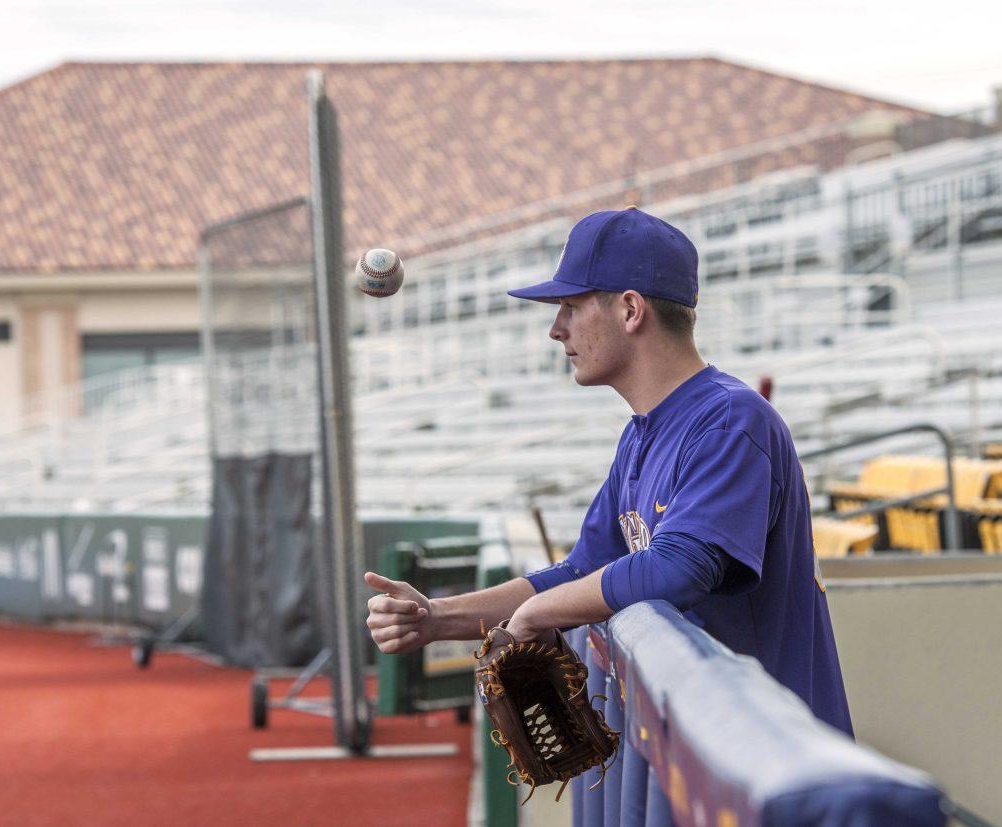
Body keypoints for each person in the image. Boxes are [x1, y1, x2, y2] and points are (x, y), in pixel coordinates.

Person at [364, 207, 853, 736]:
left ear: (629, 310)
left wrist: (538, 615)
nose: (556, 329)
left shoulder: (731, 419)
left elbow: (678, 568)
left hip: (780, 762)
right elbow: (581, 572)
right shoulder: (642, 434)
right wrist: (437, 619)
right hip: (712, 750)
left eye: (571, 307)